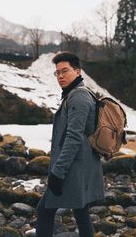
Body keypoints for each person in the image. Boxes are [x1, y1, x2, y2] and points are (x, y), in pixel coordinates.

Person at [36, 51, 104, 237]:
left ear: (78, 72)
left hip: (73, 168)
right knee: (81, 211)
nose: (60, 76)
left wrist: (58, 172)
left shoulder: (78, 97)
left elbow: (73, 137)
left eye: (64, 71)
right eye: (57, 72)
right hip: (80, 166)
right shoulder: (75, 94)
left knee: (44, 210)